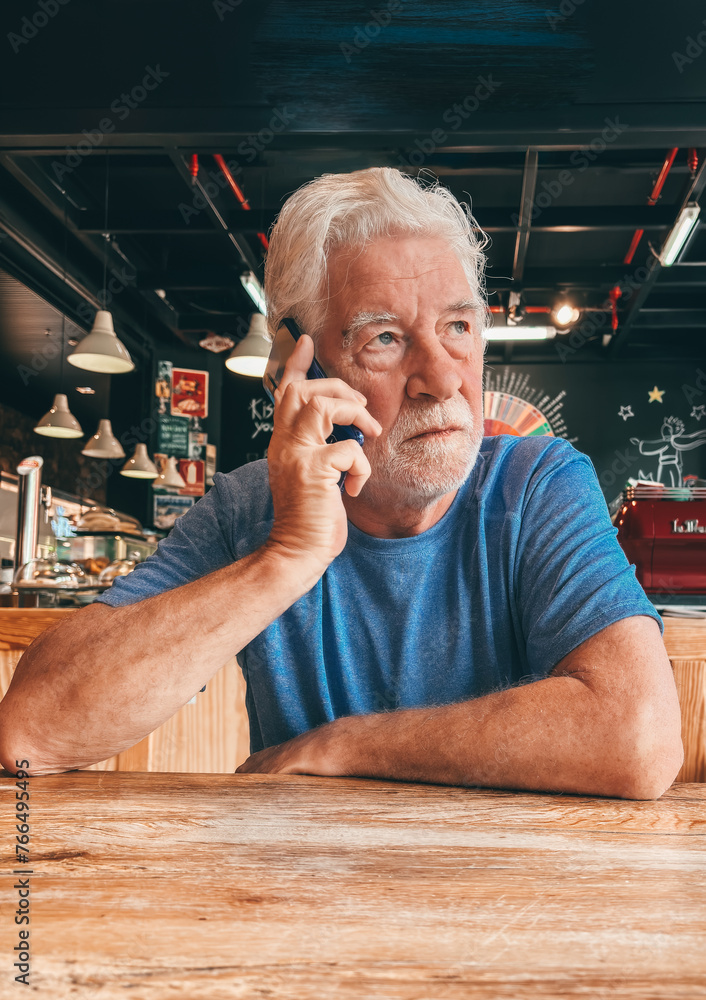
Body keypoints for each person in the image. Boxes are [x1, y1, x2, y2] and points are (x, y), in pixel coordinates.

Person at [0, 168, 683, 798]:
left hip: (503, 905)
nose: (444, 379)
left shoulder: (539, 485)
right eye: (384, 338)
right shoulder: (248, 510)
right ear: (296, 369)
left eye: (458, 327)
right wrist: (288, 556)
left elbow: (640, 737)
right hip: (299, 902)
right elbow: (33, 731)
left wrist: (341, 745)